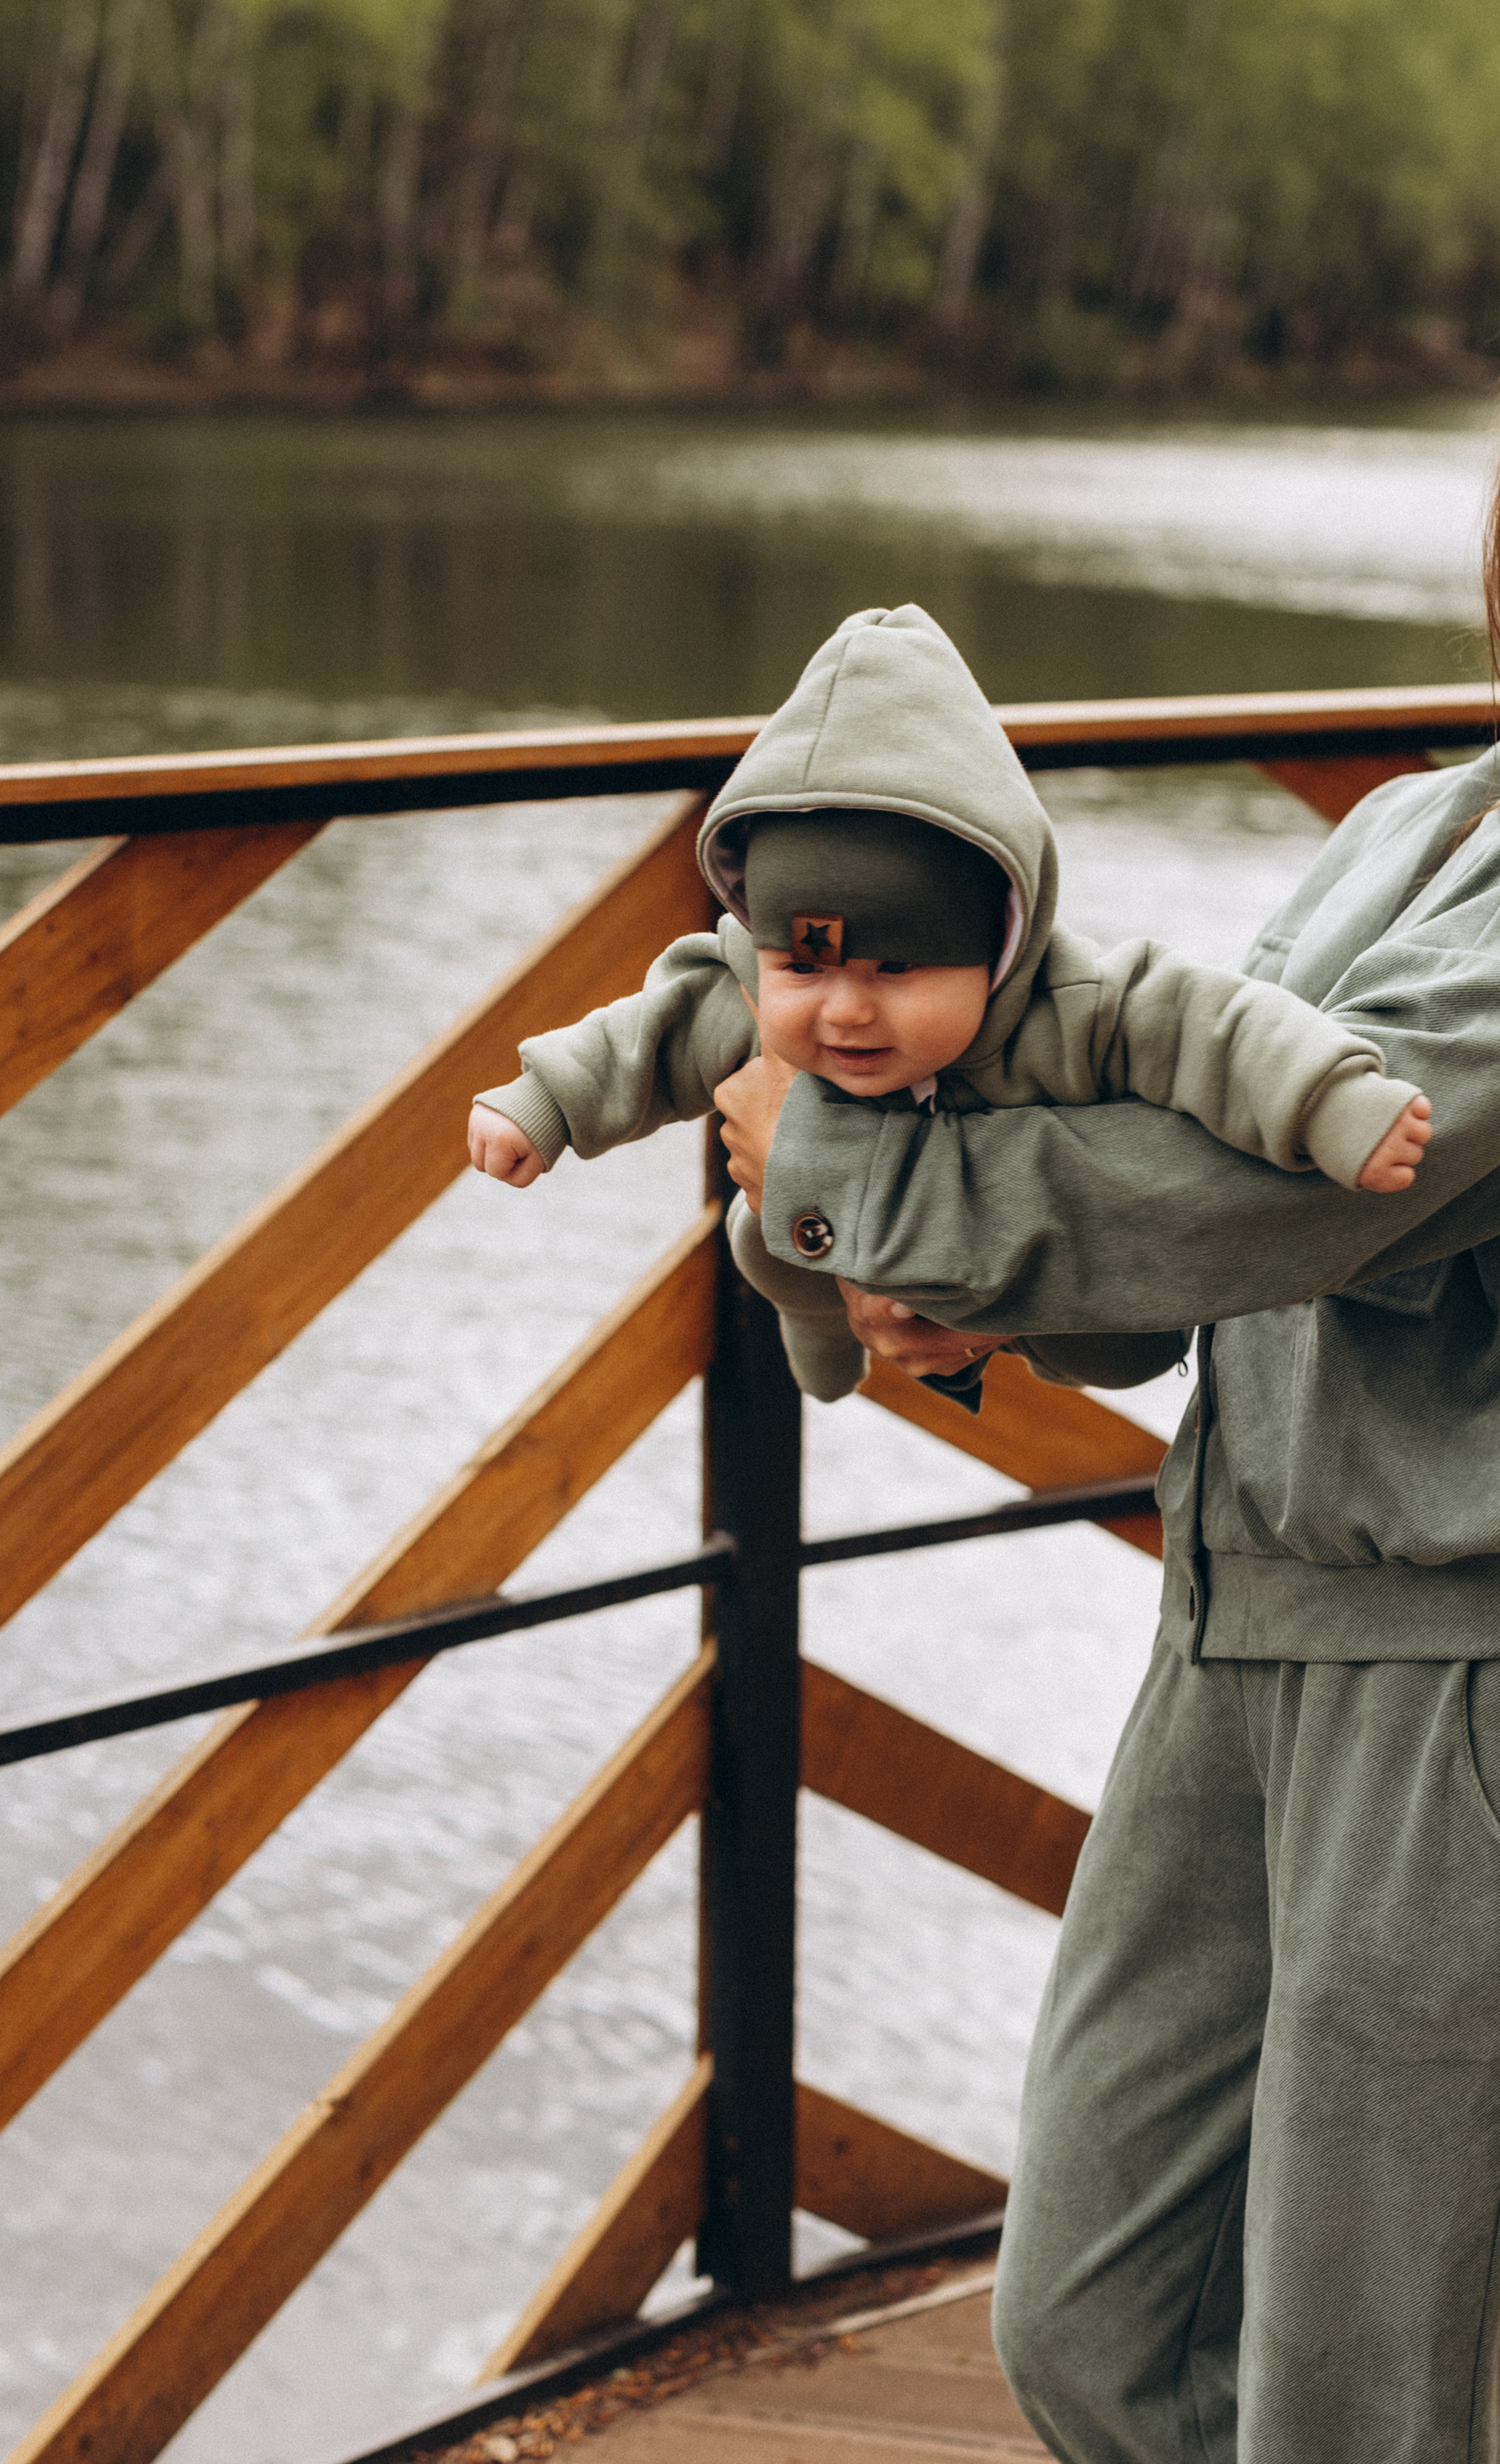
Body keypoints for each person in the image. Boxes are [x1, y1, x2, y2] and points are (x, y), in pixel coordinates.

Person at [712, 517, 1500, 2461]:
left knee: (1357, 2387)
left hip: (1450, 1670)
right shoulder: (1401, 826)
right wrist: (961, 1286)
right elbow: (1157, 1195)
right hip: (1230, 1614)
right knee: (1089, 2320)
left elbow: (1297, 1193)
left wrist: (846, 1174)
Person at [468, 604, 1430, 1407]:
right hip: (816, 1231)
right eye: (806, 967)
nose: (845, 1011)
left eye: (896, 970)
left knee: (1130, 1350)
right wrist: (544, 1106)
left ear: (997, 946)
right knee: (766, 1249)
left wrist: (1333, 1105)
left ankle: (981, 1332)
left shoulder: (1079, 1008)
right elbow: (644, 1040)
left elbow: (1217, 1031)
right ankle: (824, 1334)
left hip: (1033, 1270)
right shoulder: (746, 993)